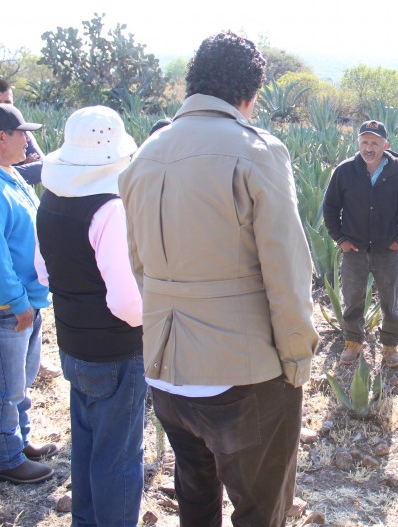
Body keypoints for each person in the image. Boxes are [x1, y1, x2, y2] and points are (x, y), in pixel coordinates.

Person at [119, 31, 318, 527]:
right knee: (261, 510)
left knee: (196, 499)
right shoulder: (256, 151)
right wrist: (296, 359)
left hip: (165, 370)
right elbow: (286, 272)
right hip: (241, 375)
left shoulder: (144, 155)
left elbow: (139, 264)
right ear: (250, 94)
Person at [35, 106, 145, 525]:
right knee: (118, 457)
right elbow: (125, 302)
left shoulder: (52, 200)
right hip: (116, 352)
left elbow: (43, 271)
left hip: (71, 343)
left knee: (85, 447)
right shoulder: (109, 209)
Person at [322, 119, 398, 367]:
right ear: (358, 143)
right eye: (364, 142)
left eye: (374, 143)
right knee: (353, 299)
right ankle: (353, 341)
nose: (369, 148)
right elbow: (330, 208)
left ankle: (390, 346)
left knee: (390, 301)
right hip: (353, 250)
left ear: (385, 145)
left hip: (387, 251)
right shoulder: (344, 171)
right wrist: (340, 239)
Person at [0, 104, 55, 484]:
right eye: (22, 133)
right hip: (10, 306)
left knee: (22, 377)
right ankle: (7, 456)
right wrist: (17, 301)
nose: (28, 139)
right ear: (1, 137)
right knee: (6, 384)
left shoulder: (11, 176)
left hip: (28, 301)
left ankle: (20, 441)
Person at [0, 80, 44, 186]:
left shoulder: (20, 132)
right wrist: (24, 169)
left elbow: (43, 167)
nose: (2, 107)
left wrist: (12, 170)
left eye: (7, 103)